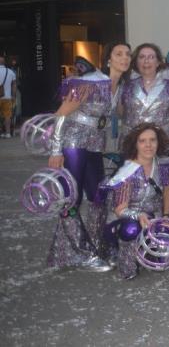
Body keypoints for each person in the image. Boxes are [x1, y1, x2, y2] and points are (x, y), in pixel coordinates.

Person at [47, 42, 132, 271]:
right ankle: (81, 253)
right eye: (119, 54)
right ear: (108, 59)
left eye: (127, 55)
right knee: (71, 198)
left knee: (98, 196)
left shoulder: (119, 87)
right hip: (73, 143)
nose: (124, 58)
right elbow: (61, 115)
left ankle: (96, 246)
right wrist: (55, 150)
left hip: (94, 145)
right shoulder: (90, 82)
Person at [101, 123, 169, 279]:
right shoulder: (127, 171)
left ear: (159, 142)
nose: (148, 145)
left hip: (151, 219)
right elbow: (119, 210)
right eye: (142, 141)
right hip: (125, 220)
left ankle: (146, 252)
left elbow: (167, 192)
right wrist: (139, 215)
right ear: (135, 144)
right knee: (131, 229)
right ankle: (125, 261)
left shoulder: (164, 165)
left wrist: (167, 216)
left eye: (152, 140)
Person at [120, 43, 169, 183]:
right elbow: (121, 111)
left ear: (158, 61)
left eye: (151, 57)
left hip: (162, 145)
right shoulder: (127, 85)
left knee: (163, 185)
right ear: (136, 61)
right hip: (134, 146)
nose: (146, 61)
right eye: (141, 57)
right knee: (133, 184)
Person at [0, 54, 17, 138]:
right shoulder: (10, 72)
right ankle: (7, 133)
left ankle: (1, 132)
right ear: (4, 62)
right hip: (7, 97)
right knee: (7, 115)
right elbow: (14, 85)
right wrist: (13, 96)